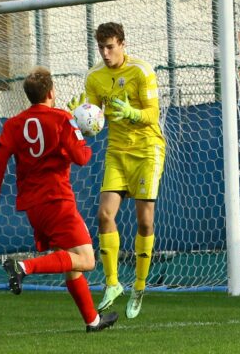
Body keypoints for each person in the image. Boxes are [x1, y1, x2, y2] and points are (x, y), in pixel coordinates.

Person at [0, 66, 118, 333]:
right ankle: (23, 266)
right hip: (57, 200)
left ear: (29, 96)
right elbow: (81, 158)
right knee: (87, 259)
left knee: (71, 259)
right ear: (52, 92)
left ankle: (92, 320)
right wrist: (81, 133)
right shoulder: (62, 119)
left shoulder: (14, 124)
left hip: (33, 206)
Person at [69, 22, 166, 319]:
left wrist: (133, 113)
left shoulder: (141, 72)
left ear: (123, 44)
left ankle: (139, 285)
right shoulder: (95, 77)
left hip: (147, 150)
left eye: (110, 46)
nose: (106, 53)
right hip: (117, 152)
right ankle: (112, 283)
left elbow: (153, 114)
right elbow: (93, 123)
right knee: (104, 215)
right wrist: (75, 117)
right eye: (101, 48)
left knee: (145, 221)